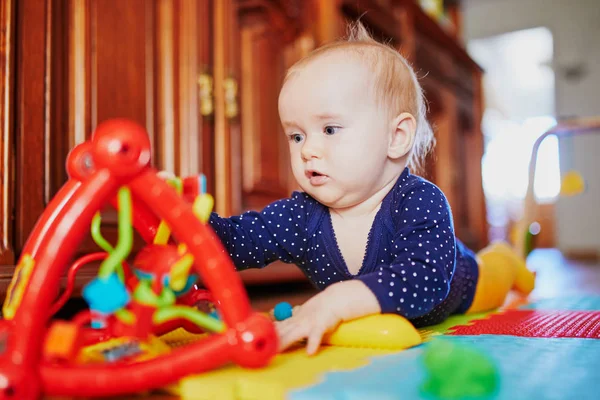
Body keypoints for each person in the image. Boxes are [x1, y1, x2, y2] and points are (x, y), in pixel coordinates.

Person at [206, 22, 535, 355]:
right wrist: (188, 224)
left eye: (330, 129)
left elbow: (425, 281)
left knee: (495, 272)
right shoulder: (300, 215)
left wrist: (338, 302)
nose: (307, 150)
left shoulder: (420, 200)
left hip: (469, 286)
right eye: (297, 136)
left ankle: (506, 259)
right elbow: (238, 240)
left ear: (396, 137)